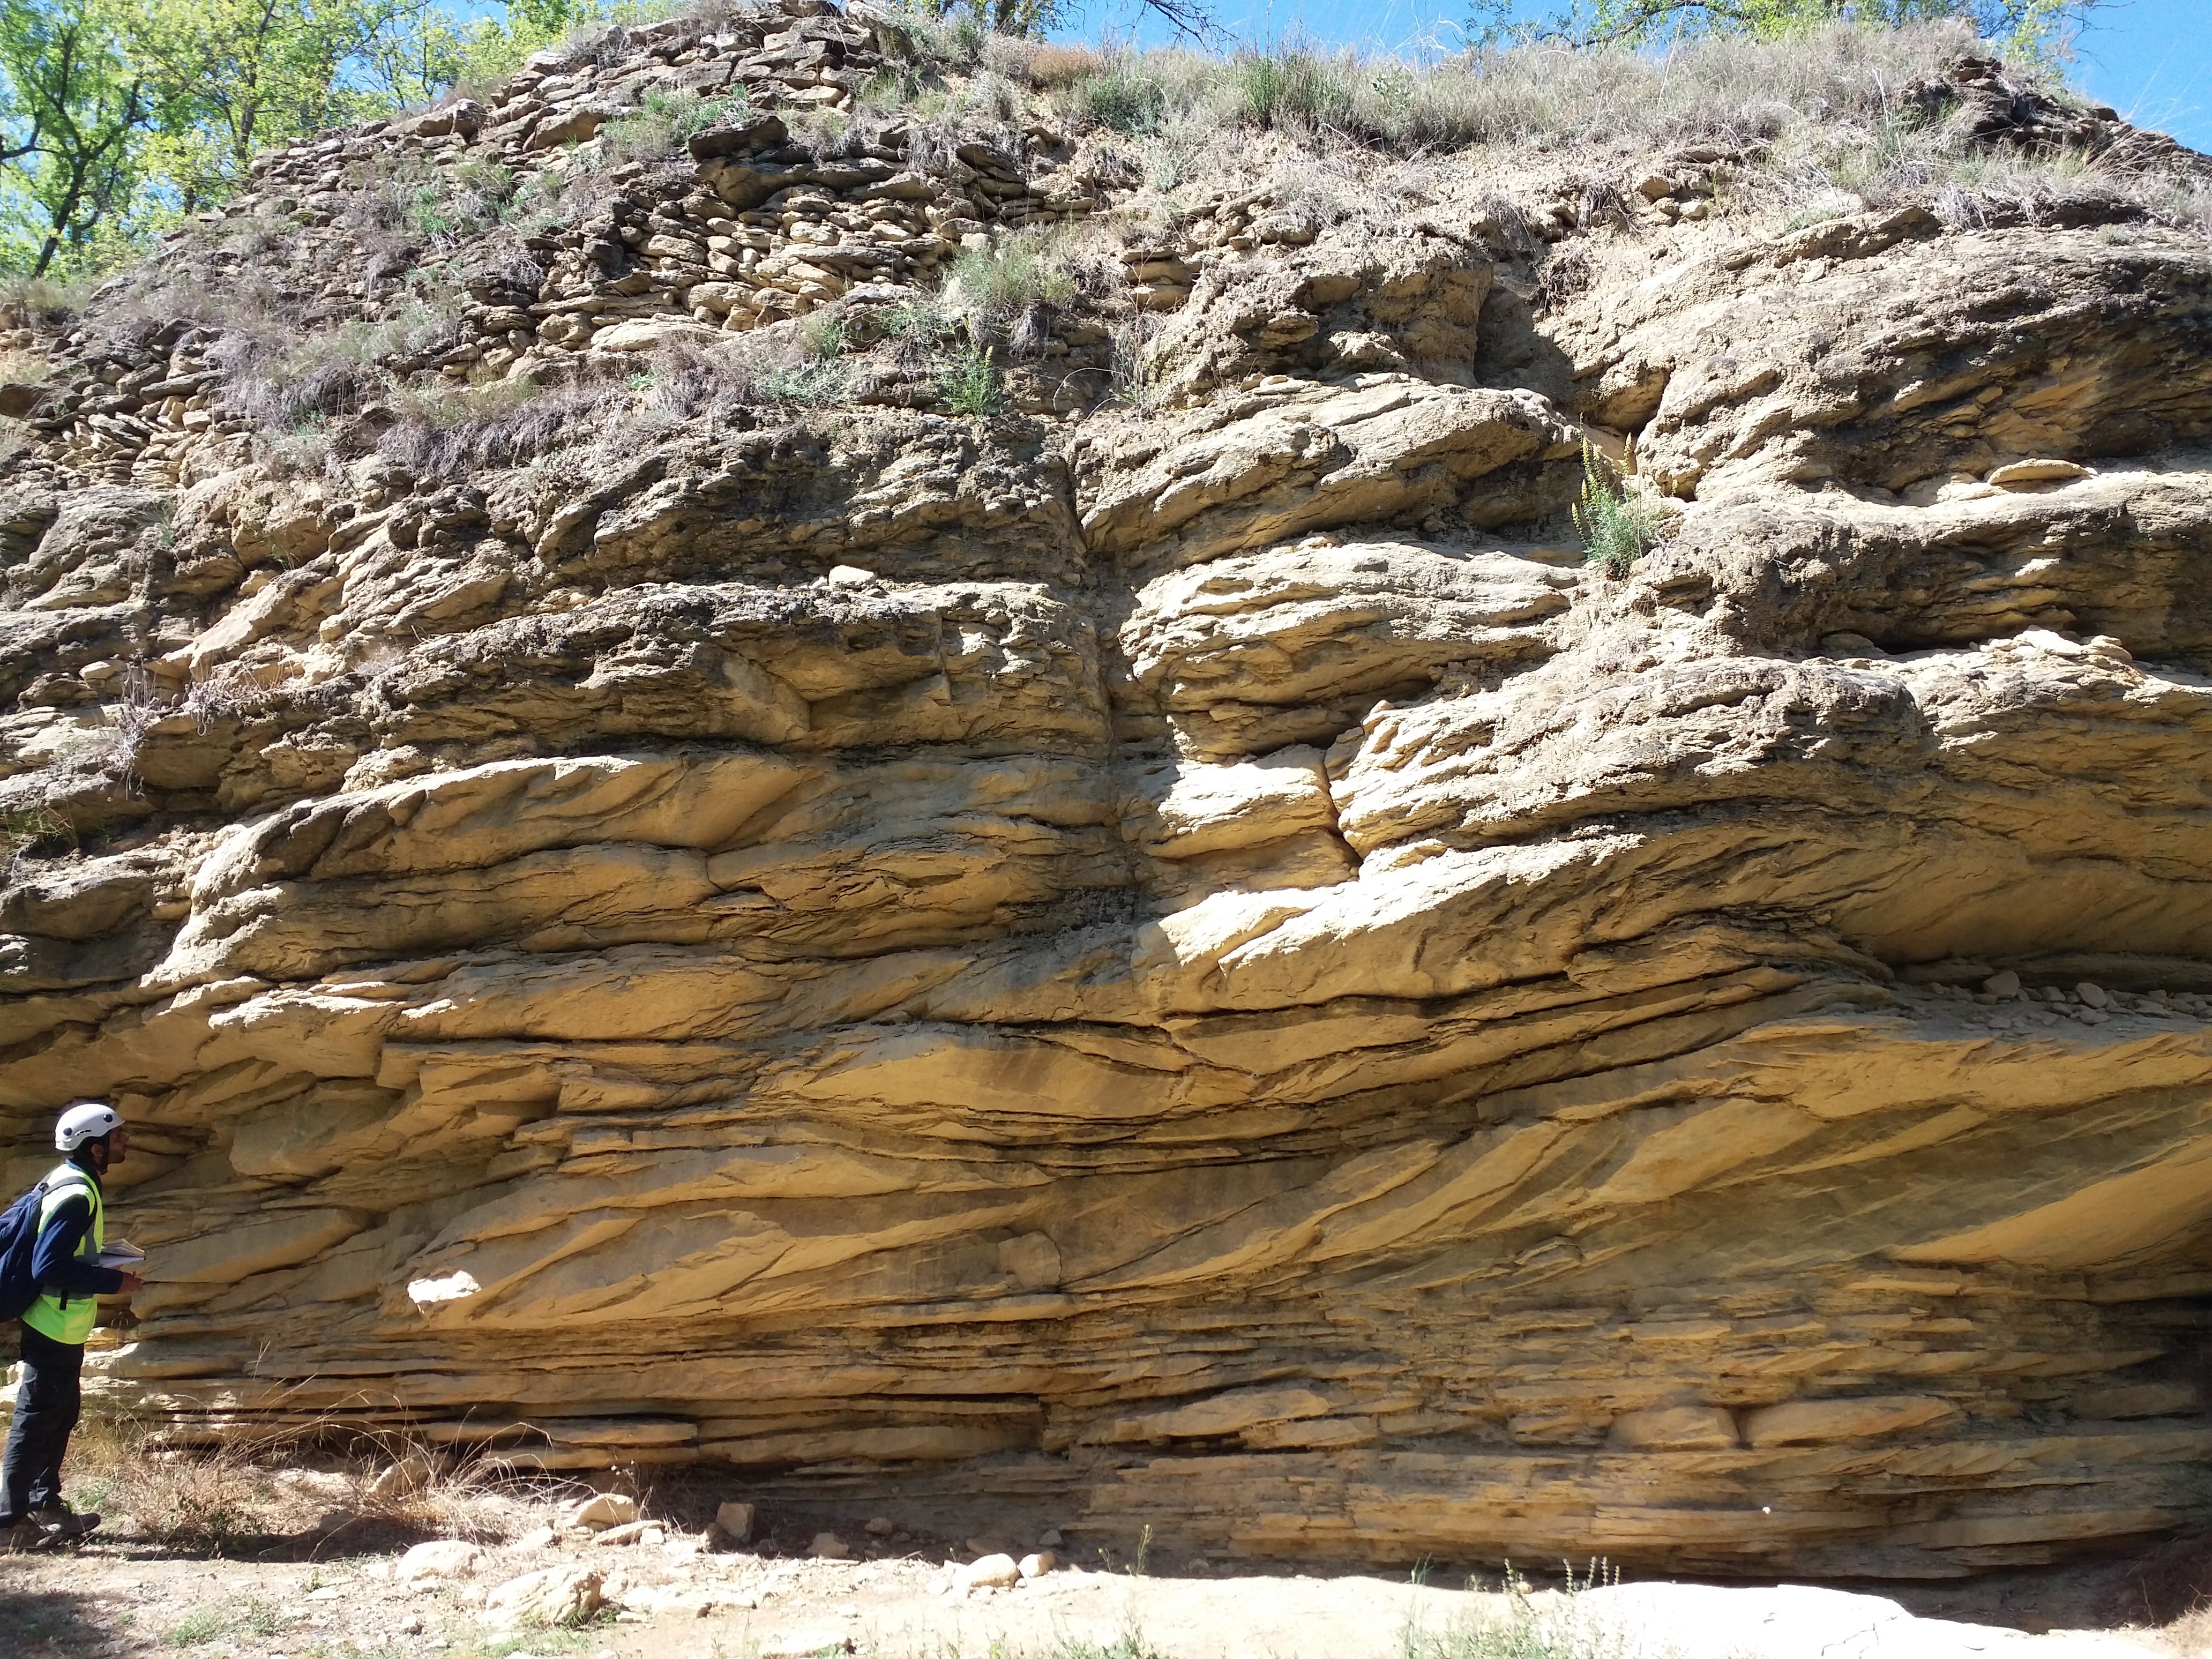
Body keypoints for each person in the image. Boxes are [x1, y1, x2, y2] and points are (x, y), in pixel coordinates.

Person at [2, 1101, 140, 1549]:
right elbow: (49, 1267)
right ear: (95, 1148)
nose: (125, 1142)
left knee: (59, 1415)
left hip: (64, 1323)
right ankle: (7, 1523)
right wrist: (114, 1280)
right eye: (117, 1136)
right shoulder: (77, 1194)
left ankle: (46, 1504)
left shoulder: (72, 1182)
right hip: (51, 1324)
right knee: (37, 1416)